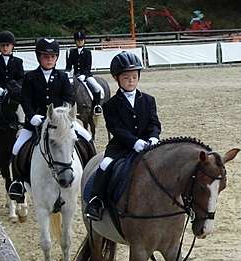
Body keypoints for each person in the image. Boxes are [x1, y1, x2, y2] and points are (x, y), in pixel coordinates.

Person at [8, 38, 92, 201]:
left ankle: (90, 179)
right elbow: (26, 100)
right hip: (35, 123)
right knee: (17, 148)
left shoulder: (62, 77)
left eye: (52, 57)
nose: (49, 60)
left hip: (61, 123)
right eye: (46, 56)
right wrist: (32, 116)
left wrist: (65, 114)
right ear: (39, 57)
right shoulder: (30, 77)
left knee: (87, 139)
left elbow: (69, 97)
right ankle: (18, 183)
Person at [85, 51, 161, 221]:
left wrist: (154, 137)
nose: (131, 81)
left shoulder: (149, 100)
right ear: (117, 78)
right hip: (120, 147)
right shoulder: (110, 105)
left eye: (134, 77)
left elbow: (154, 124)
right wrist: (134, 143)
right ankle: (96, 200)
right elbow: (116, 129)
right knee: (104, 165)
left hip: (148, 145)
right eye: (126, 77)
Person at [65, 30, 104, 115]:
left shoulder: (87, 52)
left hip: (86, 76)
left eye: (81, 40)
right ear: (75, 41)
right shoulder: (72, 52)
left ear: (84, 41)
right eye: (78, 40)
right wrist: (67, 72)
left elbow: (88, 66)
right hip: (75, 76)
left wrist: (84, 75)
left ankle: (97, 106)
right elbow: (69, 66)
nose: (79, 42)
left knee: (96, 87)